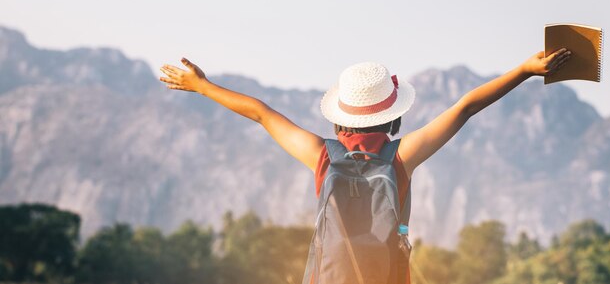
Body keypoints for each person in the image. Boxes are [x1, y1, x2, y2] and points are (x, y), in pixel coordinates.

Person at [158, 47, 571, 283]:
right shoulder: (401, 157)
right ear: (393, 117)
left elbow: (262, 113)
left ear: (340, 119)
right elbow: (465, 108)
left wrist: (202, 85)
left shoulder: (322, 155)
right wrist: (525, 70)